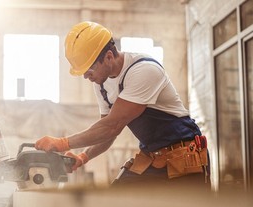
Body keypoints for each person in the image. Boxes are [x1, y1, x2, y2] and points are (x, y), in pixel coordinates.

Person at [35, 21, 210, 187]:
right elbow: (105, 133)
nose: (86, 77)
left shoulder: (144, 70)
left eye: (89, 70)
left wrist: (63, 143)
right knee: (115, 206)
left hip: (184, 156)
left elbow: (112, 127)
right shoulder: (101, 83)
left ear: (109, 57)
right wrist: (83, 157)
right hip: (152, 158)